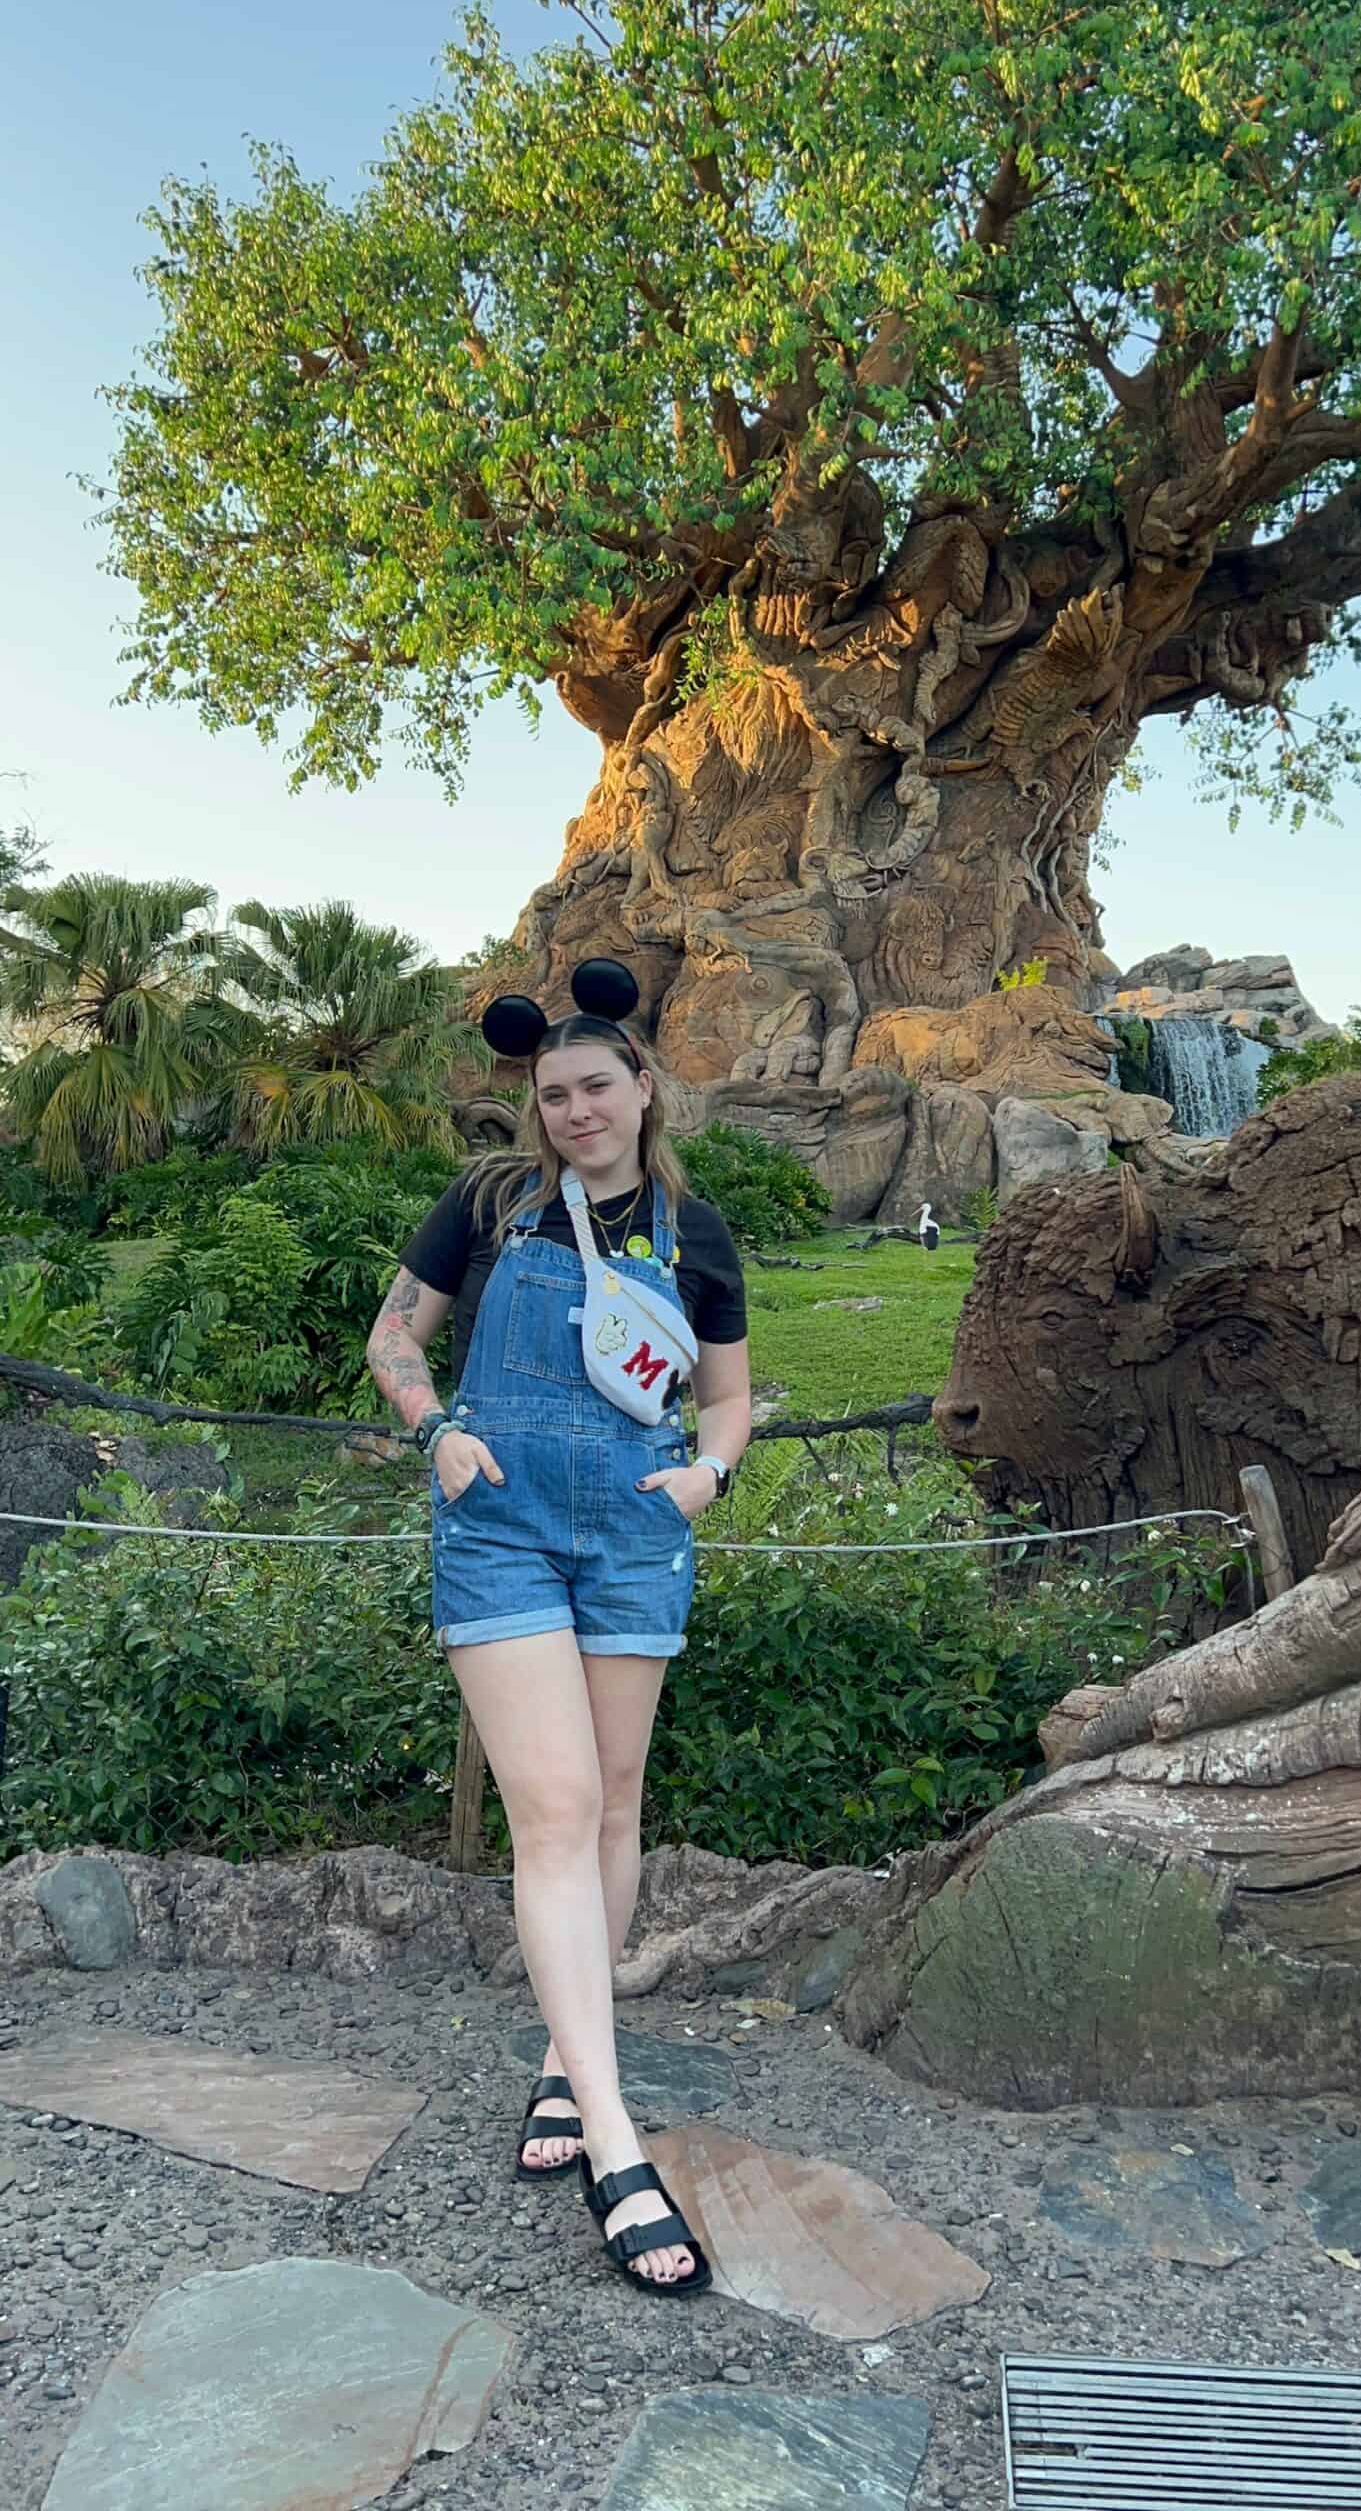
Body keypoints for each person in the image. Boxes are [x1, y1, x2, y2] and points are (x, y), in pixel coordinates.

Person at [365, 958, 751, 2297]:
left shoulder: (697, 1235)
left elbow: (727, 1399)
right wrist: (436, 1430)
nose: (574, 1111)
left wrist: (711, 1475)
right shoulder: (488, 1202)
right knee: (553, 1806)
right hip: (504, 1518)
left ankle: (558, 2063)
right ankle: (614, 2140)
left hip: (638, 1529)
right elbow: (393, 1337)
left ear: (642, 1087)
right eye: (552, 1095)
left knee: (612, 1807)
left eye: (595, 1087)